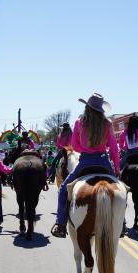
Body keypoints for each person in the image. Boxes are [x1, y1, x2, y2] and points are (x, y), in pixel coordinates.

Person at [51, 93, 120, 238]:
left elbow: (75, 146)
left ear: (87, 107)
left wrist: (87, 149)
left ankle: (61, 224)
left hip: (85, 162)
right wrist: (117, 168)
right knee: (120, 191)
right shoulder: (107, 123)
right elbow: (114, 148)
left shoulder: (79, 122)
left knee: (64, 189)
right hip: (103, 161)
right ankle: (123, 223)